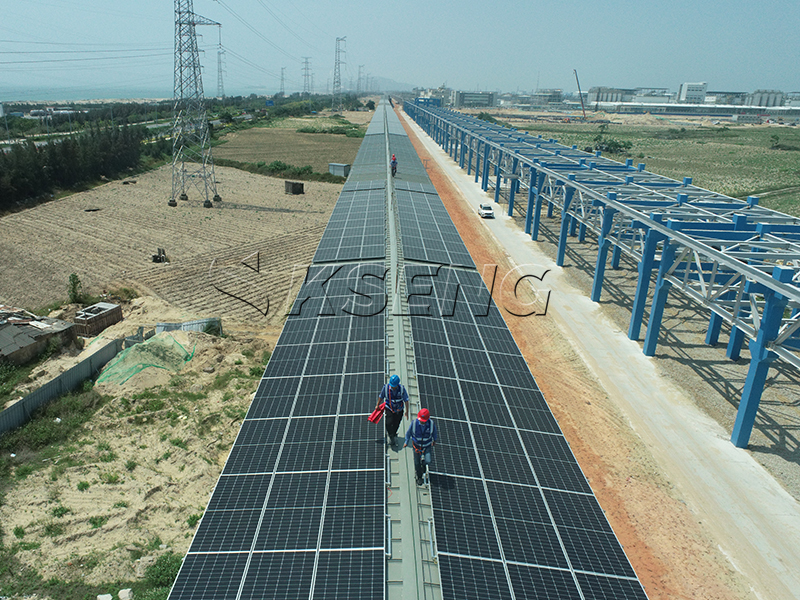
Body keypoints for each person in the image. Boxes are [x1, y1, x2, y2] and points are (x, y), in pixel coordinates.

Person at [404, 408, 438, 486]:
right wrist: (406, 441)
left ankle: (423, 464)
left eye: (423, 421)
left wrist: (435, 440)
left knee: (428, 460)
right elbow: (408, 433)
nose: (422, 422)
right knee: (417, 463)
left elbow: (434, 433)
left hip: (427, 446)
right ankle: (419, 477)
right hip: (417, 446)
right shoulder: (414, 423)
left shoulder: (431, 424)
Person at [377, 374, 409, 446]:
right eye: (392, 386)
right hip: (389, 409)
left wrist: (407, 411)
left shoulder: (402, 389)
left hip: (399, 410)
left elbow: (406, 400)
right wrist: (377, 404)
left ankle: (393, 435)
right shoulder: (386, 388)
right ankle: (391, 436)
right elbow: (381, 396)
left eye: (394, 386)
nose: (392, 387)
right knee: (388, 423)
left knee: (396, 424)